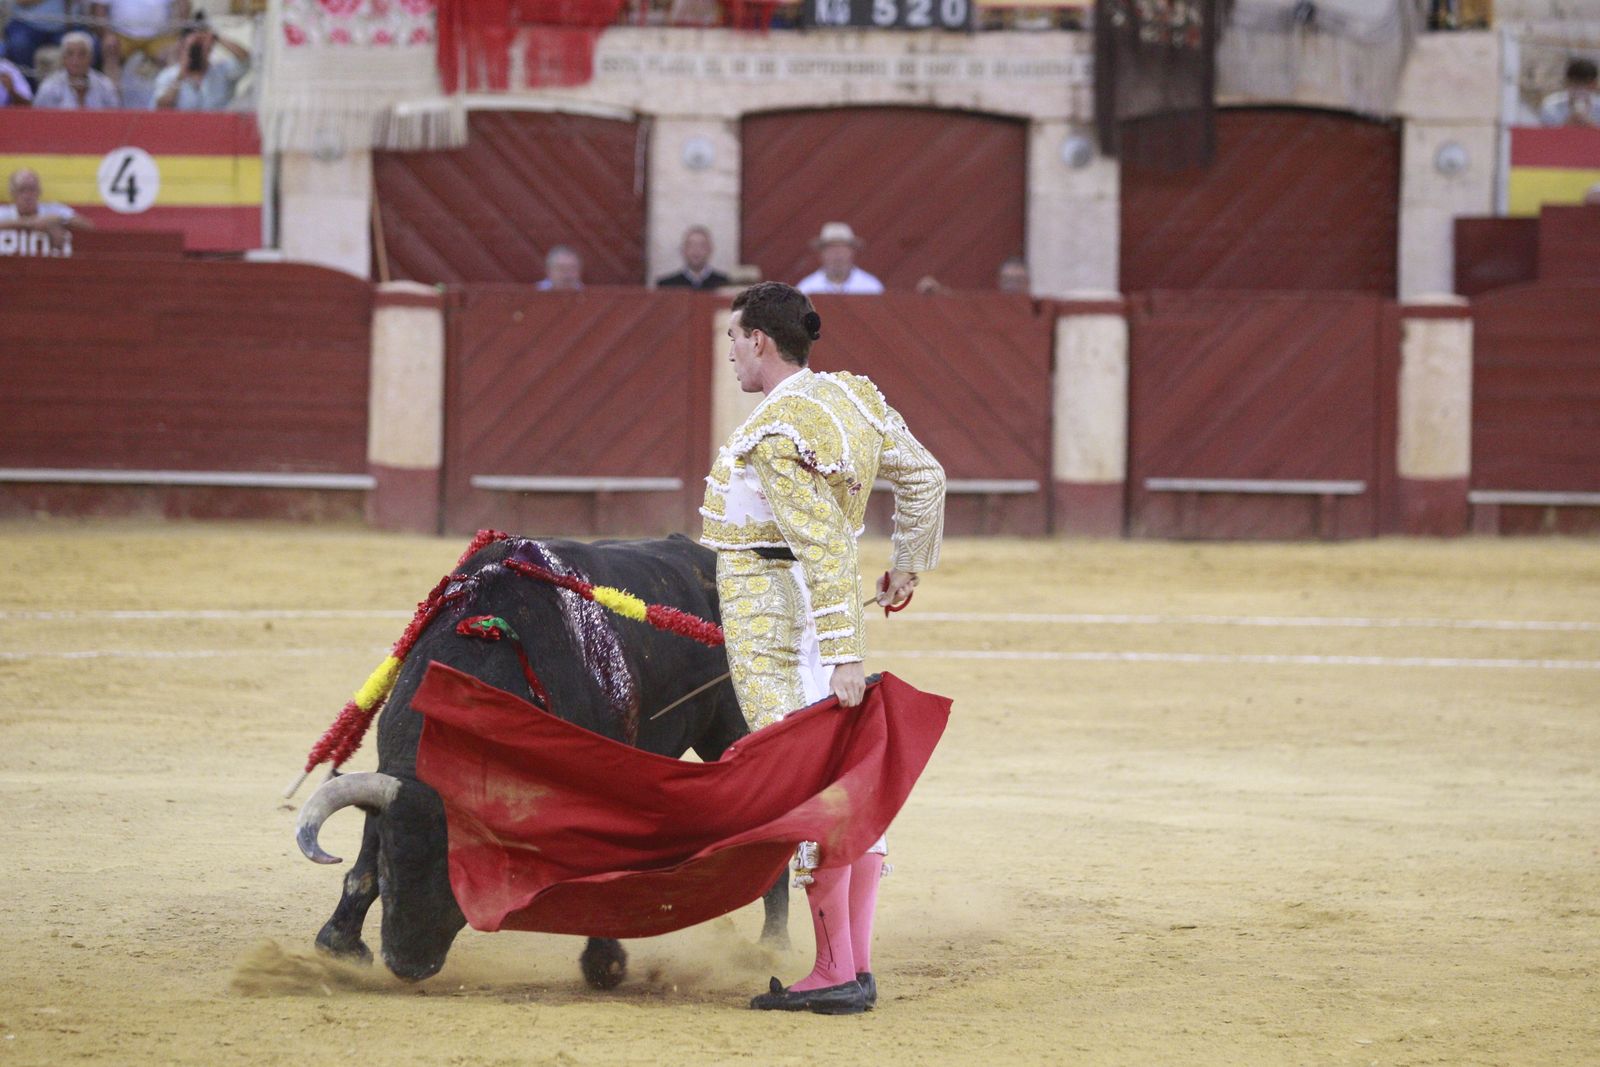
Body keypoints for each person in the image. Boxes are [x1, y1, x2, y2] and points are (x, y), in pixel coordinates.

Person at [700, 281, 945, 1014]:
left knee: (807, 787)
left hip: (778, 628)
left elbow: (827, 548)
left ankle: (834, 973)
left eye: (734, 338)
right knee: (843, 783)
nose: (731, 353)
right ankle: (852, 966)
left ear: (759, 341)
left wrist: (845, 655)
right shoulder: (853, 399)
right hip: (812, 610)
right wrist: (905, 567)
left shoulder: (776, 433)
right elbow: (925, 477)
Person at [151, 15, 248, 110]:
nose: (196, 52)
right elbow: (162, 107)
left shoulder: (222, 72)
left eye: (200, 48)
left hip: (218, 120)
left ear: (209, 49)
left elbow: (245, 59)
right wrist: (180, 77)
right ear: (182, 48)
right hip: (183, 121)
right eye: (193, 48)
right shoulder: (168, 75)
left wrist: (214, 36)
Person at [95, 0, 188, 85]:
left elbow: (183, 5)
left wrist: (176, 33)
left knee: (174, 53)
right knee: (110, 47)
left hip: (159, 37)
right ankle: (112, 96)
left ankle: (168, 95)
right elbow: (99, 9)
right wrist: (106, 35)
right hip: (121, 35)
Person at [0, 167, 93, 250]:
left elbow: (89, 227)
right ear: (12, 193)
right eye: (22, 190)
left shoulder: (53, 210)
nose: (27, 195)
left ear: (39, 191)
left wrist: (59, 220)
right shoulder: (4, 213)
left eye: (32, 189)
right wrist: (30, 223)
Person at [34, 31, 121, 108]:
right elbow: (38, 117)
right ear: (63, 58)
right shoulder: (49, 87)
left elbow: (115, 116)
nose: (76, 61)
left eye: (82, 54)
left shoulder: (105, 86)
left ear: (91, 58)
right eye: (70, 54)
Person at [795, 222, 884, 295]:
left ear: (852, 253)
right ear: (822, 254)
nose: (838, 256)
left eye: (842, 249)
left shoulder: (870, 287)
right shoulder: (807, 288)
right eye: (832, 250)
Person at [656, 225, 730, 289]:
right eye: (691, 245)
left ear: (710, 250)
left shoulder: (726, 284)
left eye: (702, 246)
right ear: (683, 250)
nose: (696, 250)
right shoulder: (666, 285)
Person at [1540, 57, 1599, 127]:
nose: (1580, 88)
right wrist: (1568, 124)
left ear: (1594, 85)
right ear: (1567, 83)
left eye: (1586, 84)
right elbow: (1545, 132)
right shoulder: (1551, 106)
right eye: (1576, 83)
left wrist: (1591, 125)